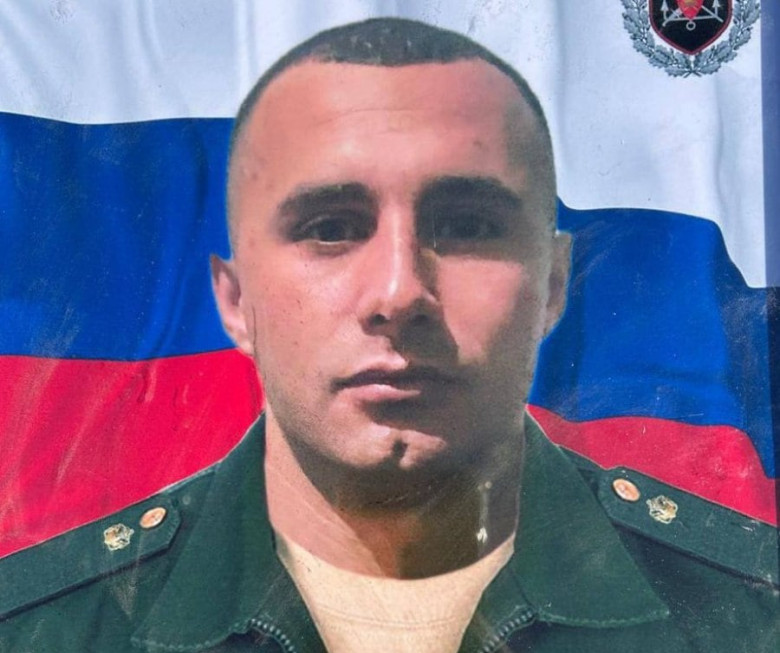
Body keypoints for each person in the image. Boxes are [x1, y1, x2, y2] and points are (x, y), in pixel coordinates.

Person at [0, 17, 776, 653]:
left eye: (467, 226)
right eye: (331, 228)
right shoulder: (42, 631)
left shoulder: (751, 615)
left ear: (553, 284)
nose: (400, 292)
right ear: (235, 301)